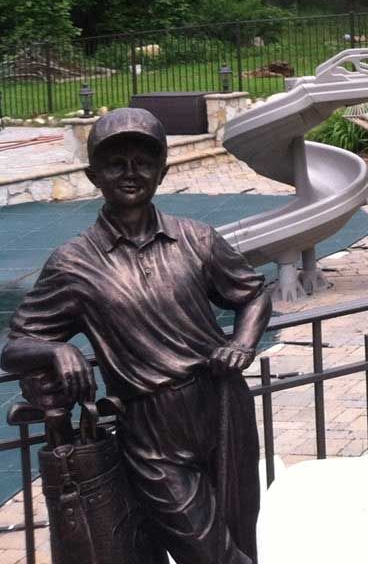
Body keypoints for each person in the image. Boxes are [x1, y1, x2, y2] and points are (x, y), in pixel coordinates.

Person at [1, 108, 272, 564]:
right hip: (151, 430)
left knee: (240, 539)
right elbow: (14, 348)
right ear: (93, 175)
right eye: (115, 163)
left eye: (144, 161)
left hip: (222, 404)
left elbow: (253, 295)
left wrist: (242, 343)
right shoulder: (73, 264)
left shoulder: (197, 239)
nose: (131, 173)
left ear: (163, 171)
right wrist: (56, 349)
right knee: (214, 555)